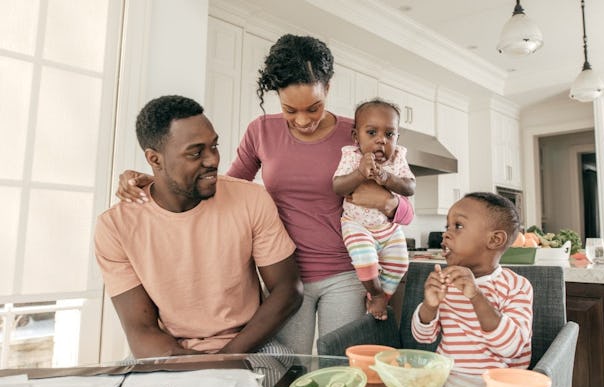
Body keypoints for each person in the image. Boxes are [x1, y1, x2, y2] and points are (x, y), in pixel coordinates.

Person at [114, 34, 414, 355]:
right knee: (288, 369)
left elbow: (403, 207)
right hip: (283, 280)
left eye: (314, 108)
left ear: (328, 87)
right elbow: (222, 188)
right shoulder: (261, 131)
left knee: (339, 367)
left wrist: (390, 202)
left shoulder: (356, 132)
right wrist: (159, 179)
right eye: (289, 110)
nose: (303, 121)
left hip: (346, 271)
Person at [95, 95, 303, 358]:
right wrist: (200, 372)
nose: (212, 160)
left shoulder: (252, 199)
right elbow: (141, 331)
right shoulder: (115, 227)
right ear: (154, 159)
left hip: (250, 345)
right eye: (195, 152)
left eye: (214, 146)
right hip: (170, 351)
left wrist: (224, 360)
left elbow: (288, 290)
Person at [411, 192, 533, 375]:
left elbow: (511, 348)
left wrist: (476, 296)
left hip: (497, 384)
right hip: (445, 379)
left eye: (458, 226)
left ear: (494, 240)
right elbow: (423, 337)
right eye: (447, 226)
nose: (445, 234)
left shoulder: (517, 286)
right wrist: (430, 305)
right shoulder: (446, 282)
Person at [332, 99, 415, 320]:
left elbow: (410, 187)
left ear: (397, 137)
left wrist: (387, 177)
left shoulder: (397, 159)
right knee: (365, 261)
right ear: (356, 136)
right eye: (371, 132)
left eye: (390, 135)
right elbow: (338, 186)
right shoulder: (352, 156)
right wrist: (360, 173)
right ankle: (375, 293)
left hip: (389, 228)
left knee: (400, 264)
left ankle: (382, 298)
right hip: (356, 225)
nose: (381, 140)